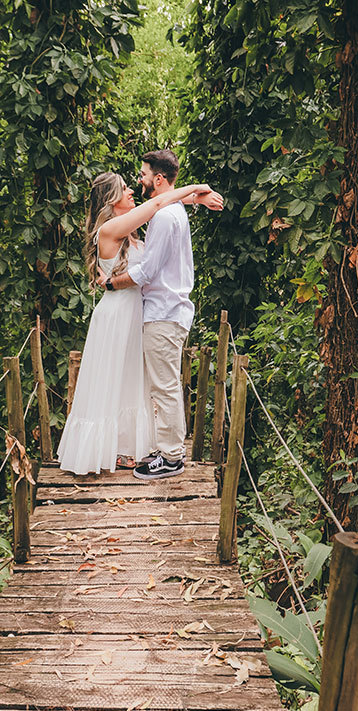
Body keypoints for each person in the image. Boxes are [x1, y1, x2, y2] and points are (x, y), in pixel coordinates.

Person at [56, 171, 221, 475]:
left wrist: (196, 200)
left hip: (135, 311)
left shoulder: (129, 232)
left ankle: (123, 448)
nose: (132, 190)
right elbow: (158, 204)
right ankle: (105, 449)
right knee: (111, 380)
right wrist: (197, 187)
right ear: (110, 200)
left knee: (129, 381)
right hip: (117, 313)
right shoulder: (110, 228)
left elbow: (160, 202)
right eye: (124, 189)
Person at [100, 150, 204, 480]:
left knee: (165, 388)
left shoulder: (164, 217)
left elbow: (147, 271)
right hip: (165, 312)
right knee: (162, 386)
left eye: (144, 174)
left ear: (158, 179)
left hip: (163, 313)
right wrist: (197, 196)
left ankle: (172, 458)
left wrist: (112, 283)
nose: (139, 181)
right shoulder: (171, 211)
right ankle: (165, 451)